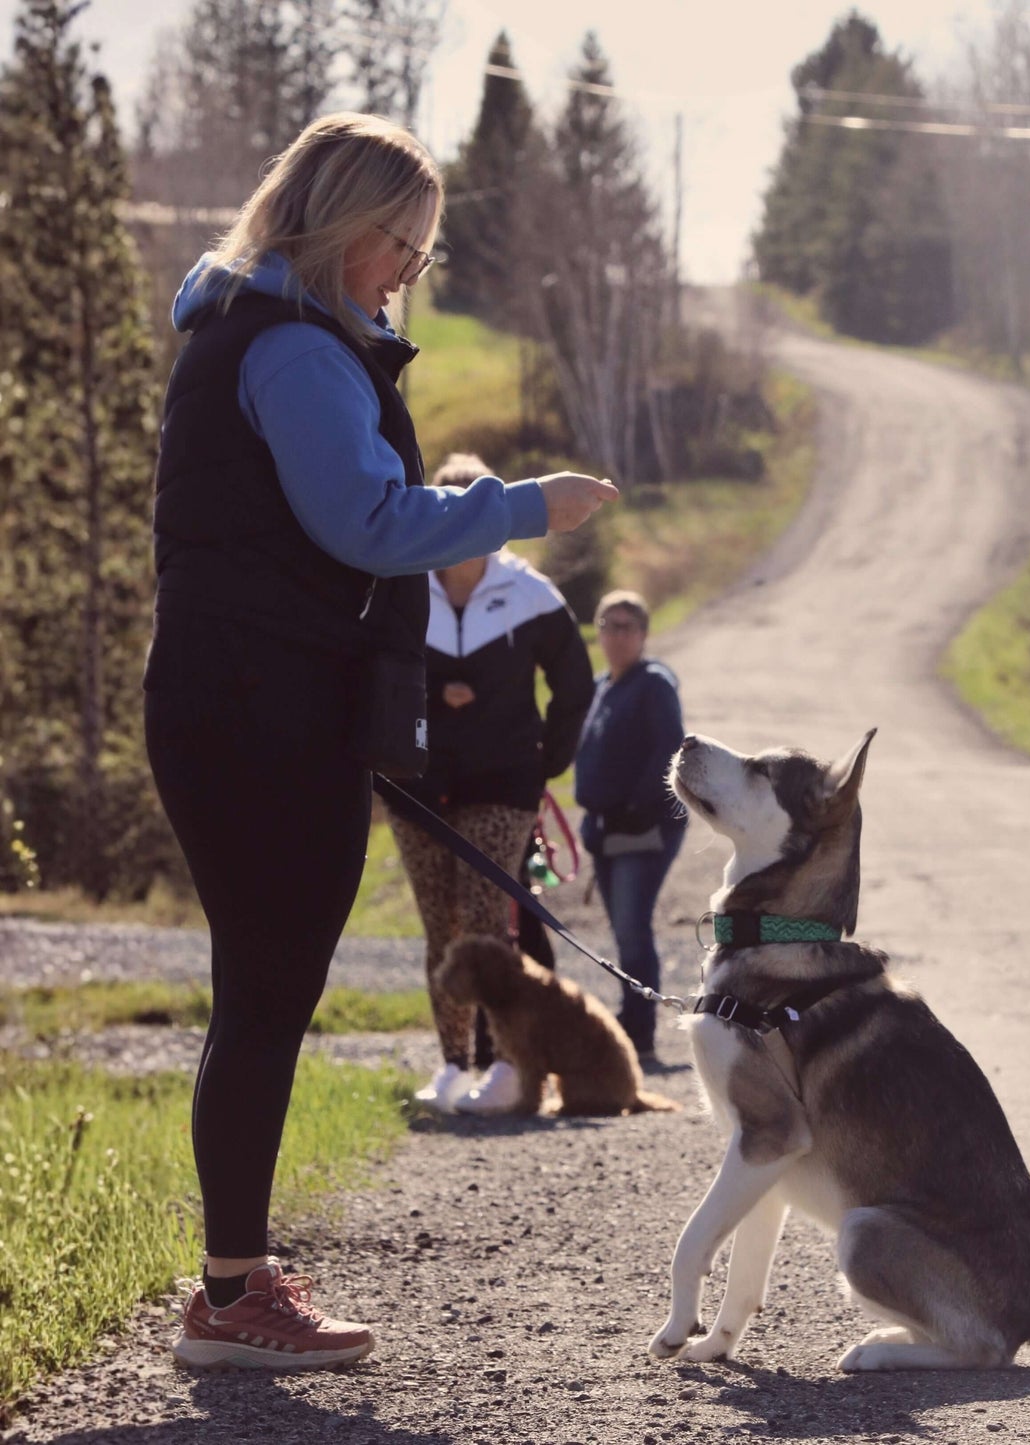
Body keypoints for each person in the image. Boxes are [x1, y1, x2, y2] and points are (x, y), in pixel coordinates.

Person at [143, 112, 617, 1373]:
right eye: (394, 242)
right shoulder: (291, 349)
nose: (406, 268)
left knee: (266, 987)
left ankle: (233, 1280)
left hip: (245, 696)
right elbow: (363, 520)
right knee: (266, 990)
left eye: (418, 248)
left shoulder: (257, 326)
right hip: (255, 704)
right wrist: (522, 505)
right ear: (336, 222)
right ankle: (232, 1296)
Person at [388, 452, 593, 1116]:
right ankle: (453, 1064)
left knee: (485, 921)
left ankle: (508, 1063)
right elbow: (366, 672)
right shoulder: (400, 587)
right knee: (440, 929)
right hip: (418, 786)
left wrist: (546, 764)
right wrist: (424, 694)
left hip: (503, 785)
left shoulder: (529, 592)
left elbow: (575, 684)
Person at [573, 591, 687, 1061]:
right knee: (623, 930)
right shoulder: (603, 686)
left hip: (643, 830)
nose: (616, 636)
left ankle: (640, 1034)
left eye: (627, 627)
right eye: (608, 625)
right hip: (606, 828)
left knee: (632, 925)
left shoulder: (654, 683)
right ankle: (630, 1020)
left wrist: (636, 807)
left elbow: (669, 749)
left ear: (643, 634)